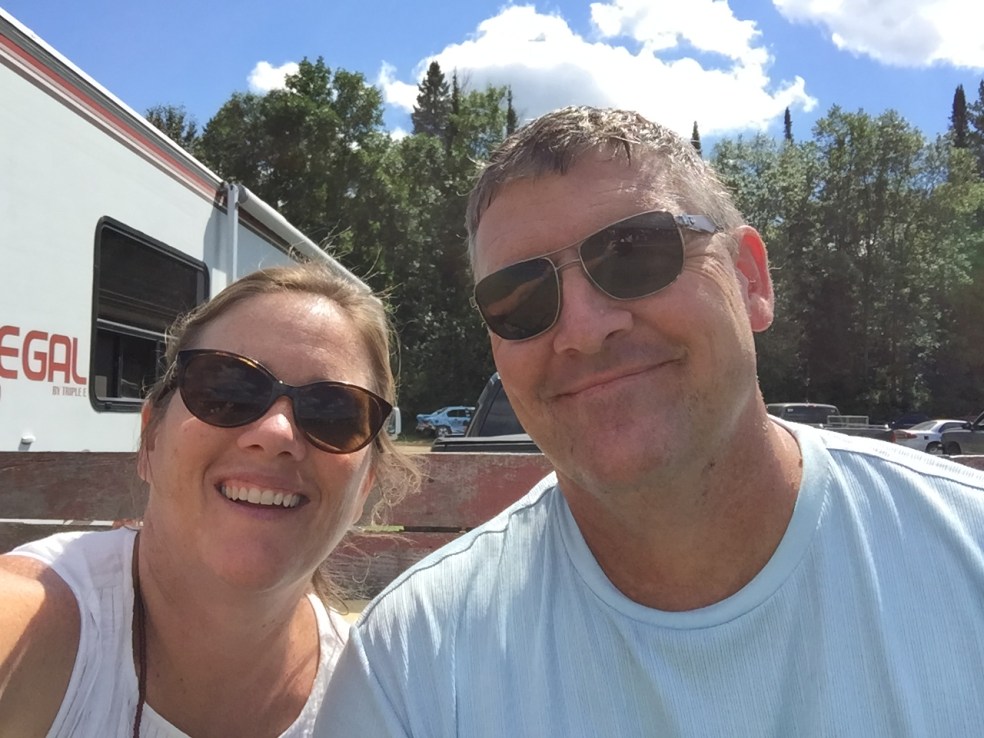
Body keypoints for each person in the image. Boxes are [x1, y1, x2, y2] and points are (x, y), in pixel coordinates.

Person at [317, 106, 984, 737]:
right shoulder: (413, 667)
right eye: (520, 299)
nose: (582, 329)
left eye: (634, 255)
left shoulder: (966, 553)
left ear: (751, 278)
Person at [0, 263, 417, 737]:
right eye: (226, 390)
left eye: (333, 412)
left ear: (365, 485)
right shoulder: (38, 619)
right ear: (150, 441)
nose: (276, 434)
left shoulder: (370, 703)